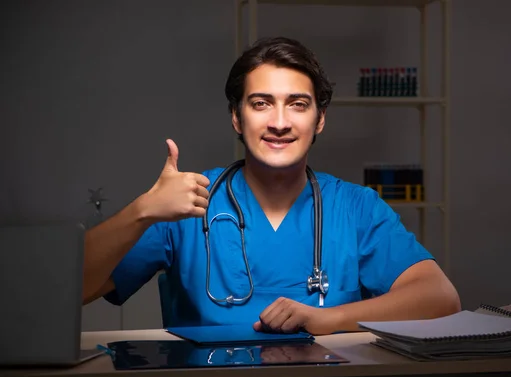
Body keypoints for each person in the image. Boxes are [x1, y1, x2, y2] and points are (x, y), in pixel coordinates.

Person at [82, 36, 461, 335]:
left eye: (297, 104)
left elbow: (439, 297)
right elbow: (72, 291)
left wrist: (329, 318)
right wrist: (143, 210)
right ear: (236, 117)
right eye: (261, 103)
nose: (279, 122)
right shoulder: (188, 200)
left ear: (320, 119)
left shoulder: (356, 208)